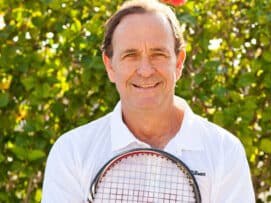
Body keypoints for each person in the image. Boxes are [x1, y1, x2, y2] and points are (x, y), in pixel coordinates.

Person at [41, 0, 255, 202]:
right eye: (130, 55)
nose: (145, 70)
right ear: (110, 66)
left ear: (179, 63)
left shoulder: (225, 152)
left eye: (158, 54)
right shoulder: (72, 152)